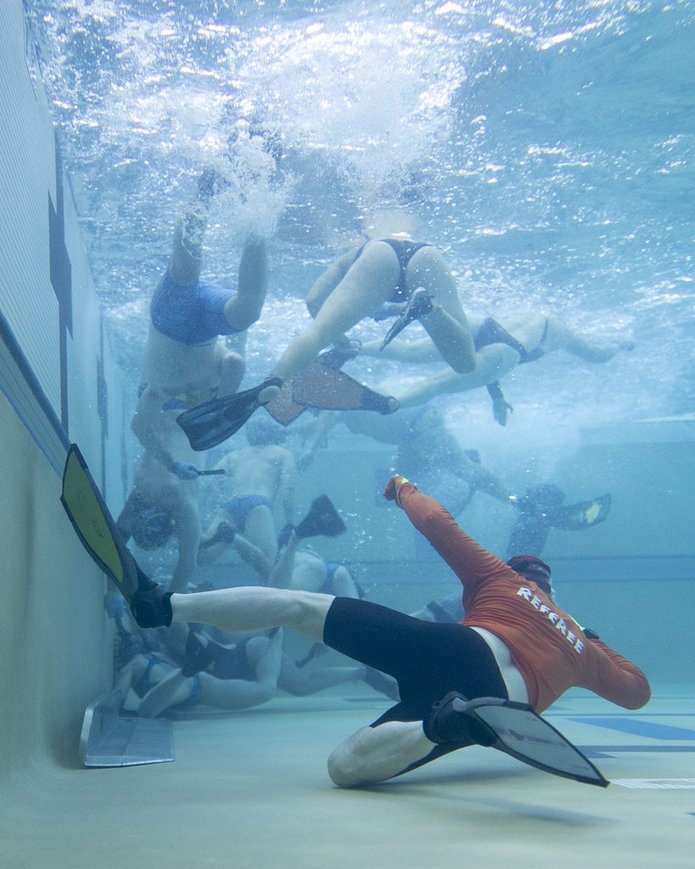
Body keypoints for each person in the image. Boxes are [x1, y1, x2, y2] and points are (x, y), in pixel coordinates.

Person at [126, 474, 650, 788]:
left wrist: (402, 488)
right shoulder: (585, 651)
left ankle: (163, 605)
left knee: (296, 605)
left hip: (456, 645)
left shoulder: (502, 579)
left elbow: (438, 524)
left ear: (523, 574)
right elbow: (636, 693)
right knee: (342, 768)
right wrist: (593, 640)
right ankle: (445, 726)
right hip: (497, 698)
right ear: (553, 590)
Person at [176, 224, 477, 444]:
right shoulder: (411, 241)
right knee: (465, 362)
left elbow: (314, 300)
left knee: (317, 333)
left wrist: (338, 339)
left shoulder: (359, 250)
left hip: (378, 256)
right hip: (426, 257)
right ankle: (430, 310)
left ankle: (273, 381)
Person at [134, 167, 268, 471]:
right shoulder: (214, 387)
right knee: (248, 311)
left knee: (184, 272)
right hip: (206, 326)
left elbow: (139, 428)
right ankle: (257, 217)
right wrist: (221, 404)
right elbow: (235, 362)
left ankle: (205, 190)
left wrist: (171, 465)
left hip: (169, 323)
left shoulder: (159, 392)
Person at [366, 308, 634, 424]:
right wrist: (619, 345)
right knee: (435, 384)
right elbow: (597, 355)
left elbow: (485, 356)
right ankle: (385, 404)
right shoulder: (563, 334)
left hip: (484, 325)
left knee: (410, 351)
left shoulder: (531, 313)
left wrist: (497, 396)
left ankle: (353, 347)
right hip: (507, 349)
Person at [116, 621, 284, 718]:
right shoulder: (135, 665)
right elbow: (121, 704)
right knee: (266, 690)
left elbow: (139, 708)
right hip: (192, 681)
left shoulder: (151, 656)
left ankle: (278, 634)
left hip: (195, 681)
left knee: (267, 690)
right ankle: (278, 633)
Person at [198, 416, 298, 579]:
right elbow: (288, 489)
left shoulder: (236, 455)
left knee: (204, 558)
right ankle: (233, 536)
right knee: (269, 569)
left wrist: (216, 503)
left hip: (231, 505)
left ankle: (179, 531)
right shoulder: (282, 454)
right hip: (257, 505)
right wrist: (289, 523)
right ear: (273, 432)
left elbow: (212, 478)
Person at [116, 448, 201, 593]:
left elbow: (188, 563)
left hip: (178, 456)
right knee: (195, 545)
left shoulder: (184, 507)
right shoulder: (142, 494)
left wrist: (170, 601)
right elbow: (116, 542)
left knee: (197, 547)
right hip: (171, 457)